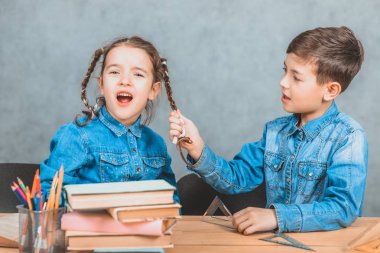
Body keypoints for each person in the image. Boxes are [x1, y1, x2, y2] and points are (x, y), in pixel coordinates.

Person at [169, 26, 367, 233]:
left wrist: (276, 216)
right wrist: (198, 149)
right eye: (285, 71)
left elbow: (343, 208)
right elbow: (236, 179)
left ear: (330, 90)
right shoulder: (274, 132)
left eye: (296, 77)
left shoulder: (348, 137)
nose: (283, 82)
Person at [41, 36, 179, 203]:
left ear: (153, 90)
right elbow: (48, 195)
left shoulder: (156, 144)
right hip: (92, 228)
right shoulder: (77, 136)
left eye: (138, 74)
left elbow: (171, 199)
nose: (125, 81)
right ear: (101, 85)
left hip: (143, 229)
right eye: (114, 72)